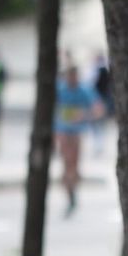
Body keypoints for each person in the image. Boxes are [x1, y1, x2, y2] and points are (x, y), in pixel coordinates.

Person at [55, 61, 101, 216]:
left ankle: (72, 189)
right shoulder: (60, 89)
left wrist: (83, 115)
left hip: (77, 132)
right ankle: (69, 192)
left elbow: (98, 109)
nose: (72, 79)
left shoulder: (84, 90)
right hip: (62, 131)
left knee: (74, 164)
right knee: (66, 163)